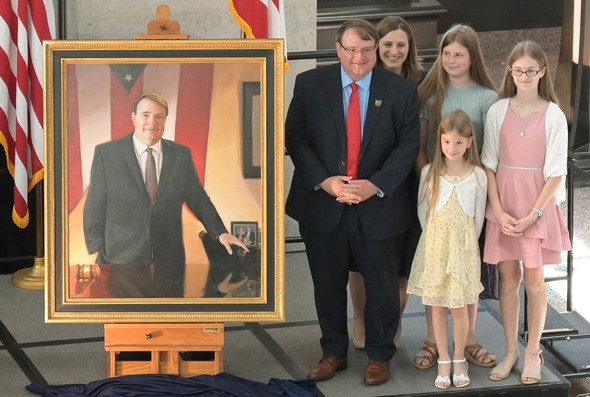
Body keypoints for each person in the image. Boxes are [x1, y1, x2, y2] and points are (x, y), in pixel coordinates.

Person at [285, 19, 420, 385]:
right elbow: (295, 138)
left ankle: (380, 355)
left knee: (382, 285)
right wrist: (325, 181)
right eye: (351, 49)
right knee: (326, 284)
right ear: (338, 49)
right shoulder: (310, 84)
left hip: (379, 206)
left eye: (366, 49)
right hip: (323, 205)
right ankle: (333, 352)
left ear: (375, 50)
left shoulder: (401, 91)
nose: (359, 57)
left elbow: (407, 147)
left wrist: (374, 186)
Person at [83, 93, 248, 298]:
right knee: (126, 323)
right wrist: (98, 248)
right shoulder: (107, 154)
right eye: (145, 115)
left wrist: (220, 232)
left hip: (169, 259)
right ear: (133, 118)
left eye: (159, 116)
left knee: (171, 320)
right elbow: (95, 204)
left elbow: (198, 198)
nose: (152, 122)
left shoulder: (181, 155)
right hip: (120, 258)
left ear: (165, 120)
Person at [482, 41, 571, 385]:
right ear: (510, 72)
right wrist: (499, 211)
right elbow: (489, 165)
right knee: (508, 281)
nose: (523, 76)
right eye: (517, 70)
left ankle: (533, 351)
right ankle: (510, 350)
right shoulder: (497, 110)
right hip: (503, 204)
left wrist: (533, 215)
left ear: (542, 72)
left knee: (535, 282)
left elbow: (556, 172)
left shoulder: (554, 115)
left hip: (537, 206)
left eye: (530, 70)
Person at [413, 23, 498, 370]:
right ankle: (433, 341)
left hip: (472, 190)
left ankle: (470, 339)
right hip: (438, 190)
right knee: (435, 273)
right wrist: (430, 181)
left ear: (471, 56)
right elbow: (421, 148)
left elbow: (490, 154)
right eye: (446, 53)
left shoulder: (487, 97)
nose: (451, 59)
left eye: (458, 54)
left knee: (466, 275)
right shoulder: (430, 92)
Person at [348, 15, 425, 350]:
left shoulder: (423, 83)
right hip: (369, 184)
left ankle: (391, 327)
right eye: (388, 44)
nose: (394, 51)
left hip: (410, 183)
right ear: (376, 47)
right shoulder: (362, 78)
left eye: (401, 45)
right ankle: (362, 319)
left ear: (410, 49)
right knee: (359, 261)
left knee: (401, 264)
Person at [408, 110, 487, 389]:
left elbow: (477, 220)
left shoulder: (477, 176)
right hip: (435, 248)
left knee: (460, 307)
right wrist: (435, 241)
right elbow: (422, 211)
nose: (451, 148)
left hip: (463, 251)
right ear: (439, 142)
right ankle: (442, 359)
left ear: (469, 143)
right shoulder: (430, 172)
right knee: (438, 306)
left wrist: (464, 248)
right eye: (446, 142)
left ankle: (458, 358)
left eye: (458, 143)